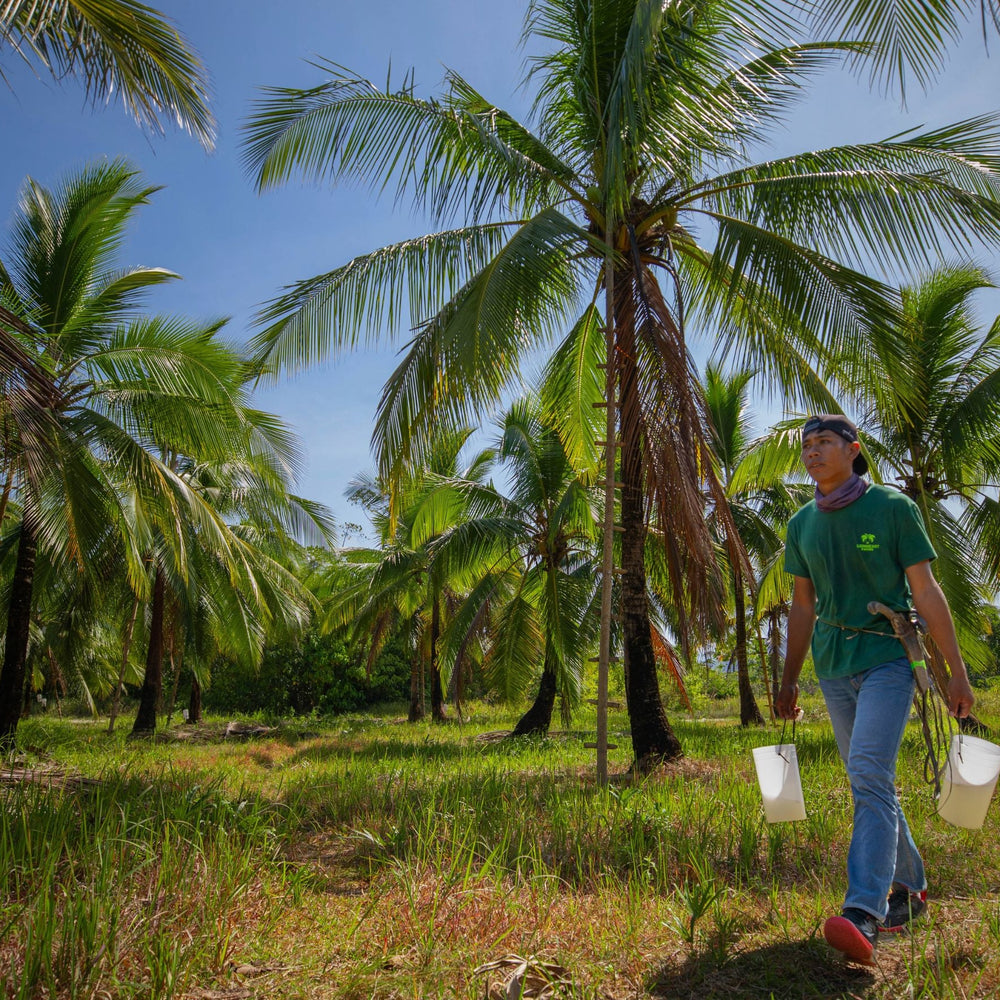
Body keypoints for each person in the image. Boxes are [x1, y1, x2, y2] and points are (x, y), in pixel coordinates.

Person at [775, 414, 975, 966]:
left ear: (853, 449)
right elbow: (803, 606)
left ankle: (864, 910)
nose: (812, 453)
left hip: (888, 658)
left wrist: (956, 671)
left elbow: (927, 591)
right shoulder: (801, 524)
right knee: (870, 780)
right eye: (806, 445)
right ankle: (911, 888)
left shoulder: (891, 508)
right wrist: (789, 679)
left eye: (823, 443)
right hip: (833, 667)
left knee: (866, 770)